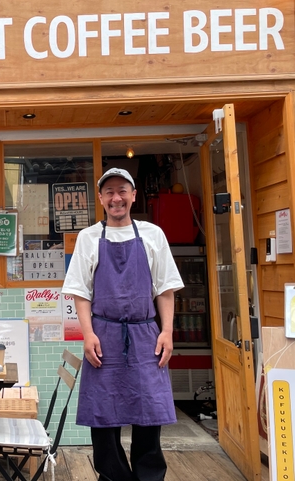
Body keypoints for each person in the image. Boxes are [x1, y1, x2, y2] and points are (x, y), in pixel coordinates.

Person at [62, 167, 184, 481]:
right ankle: (113, 477)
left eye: (122, 191)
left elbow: (165, 289)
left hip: (145, 334)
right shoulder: (89, 237)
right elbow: (80, 292)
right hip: (103, 334)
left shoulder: (153, 234)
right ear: (101, 198)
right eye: (110, 192)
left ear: (133, 195)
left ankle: (149, 477)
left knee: (149, 414)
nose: (116, 198)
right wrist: (88, 334)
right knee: (103, 417)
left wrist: (166, 332)